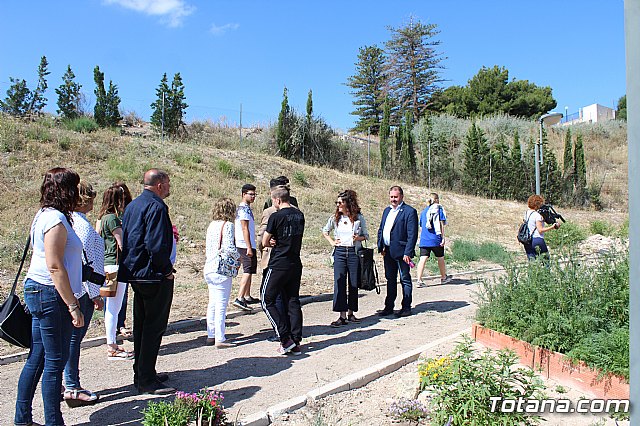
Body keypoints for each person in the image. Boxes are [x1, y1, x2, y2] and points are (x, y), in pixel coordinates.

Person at [15, 167, 85, 426]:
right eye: (74, 188)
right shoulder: (55, 219)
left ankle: (22, 420)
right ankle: (54, 422)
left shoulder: (43, 215)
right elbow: (55, 266)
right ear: (66, 190)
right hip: (50, 294)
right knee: (55, 363)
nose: (78, 193)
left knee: (38, 357)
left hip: (40, 291)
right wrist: (73, 306)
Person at [118, 169, 175, 395]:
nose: (170, 187)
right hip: (153, 275)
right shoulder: (157, 207)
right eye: (168, 183)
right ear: (159, 184)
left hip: (136, 273)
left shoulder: (133, 206)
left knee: (142, 325)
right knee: (153, 327)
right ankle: (147, 380)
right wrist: (166, 270)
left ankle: (142, 372)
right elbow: (155, 244)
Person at [64, 181, 104, 407]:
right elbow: (86, 261)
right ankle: (72, 386)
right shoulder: (79, 225)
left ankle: (68, 383)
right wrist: (95, 293)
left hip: (80, 287)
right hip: (83, 290)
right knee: (73, 340)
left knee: (70, 340)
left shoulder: (73, 221)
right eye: (89, 198)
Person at [261, 186, 305, 355]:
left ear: (277, 200)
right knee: (293, 300)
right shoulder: (299, 215)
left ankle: (284, 337)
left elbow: (265, 241)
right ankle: (295, 339)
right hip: (295, 262)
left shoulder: (275, 216)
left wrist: (272, 241)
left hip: (279, 263)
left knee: (267, 300)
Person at [97, 182, 134, 360]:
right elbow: (122, 243)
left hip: (107, 263)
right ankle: (112, 345)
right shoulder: (112, 219)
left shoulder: (102, 218)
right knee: (114, 307)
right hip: (116, 265)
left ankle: (112, 343)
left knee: (112, 307)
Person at [322, 189, 369, 327]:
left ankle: (351, 313)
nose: (338, 205)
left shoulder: (359, 218)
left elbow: (366, 235)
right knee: (339, 282)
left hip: (354, 252)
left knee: (353, 283)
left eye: (340, 202)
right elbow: (325, 231)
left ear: (348, 203)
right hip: (340, 252)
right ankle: (341, 315)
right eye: (337, 202)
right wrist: (332, 242)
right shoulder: (335, 217)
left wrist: (358, 238)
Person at [376, 186, 418, 318]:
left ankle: (406, 307)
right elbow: (381, 229)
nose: (393, 199)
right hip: (387, 252)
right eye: (391, 197)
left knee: (405, 279)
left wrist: (408, 252)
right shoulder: (386, 211)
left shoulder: (409, 212)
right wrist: (381, 246)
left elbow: (412, 234)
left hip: (402, 253)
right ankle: (389, 307)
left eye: (396, 197)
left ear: (401, 197)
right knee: (390, 279)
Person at [203, 198, 238, 348]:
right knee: (221, 304)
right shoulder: (228, 225)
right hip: (221, 268)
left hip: (209, 266)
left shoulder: (211, 225)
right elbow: (229, 248)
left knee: (212, 303)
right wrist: (238, 257)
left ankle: (211, 334)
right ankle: (220, 338)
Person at [416, 193, 452, 287]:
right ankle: (443, 277)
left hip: (424, 239)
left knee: (423, 258)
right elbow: (441, 223)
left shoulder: (424, 212)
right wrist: (443, 238)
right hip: (436, 238)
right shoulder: (438, 209)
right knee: (440, 257)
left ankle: (419, 280)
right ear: (436, 200)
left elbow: (421, 225)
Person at [232, 184, 258, 311]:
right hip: (244, 244)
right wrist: (248, 246)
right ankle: (240, 297)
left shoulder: (246, 208)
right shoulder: (243, 209)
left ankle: (247, 295)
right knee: (247, 270)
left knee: (251, 269)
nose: (253, 197)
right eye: (250, 194)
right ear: (243, 194)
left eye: (254, 194)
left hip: (247, 243)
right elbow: (244, 228)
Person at [523, 194, 561, 260]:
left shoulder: (526, 213)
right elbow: (540, 230)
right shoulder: (537, 216)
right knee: (546, 261)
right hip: (537, 239)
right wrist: (553, 227)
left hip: (527, 240)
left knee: (532, 263)